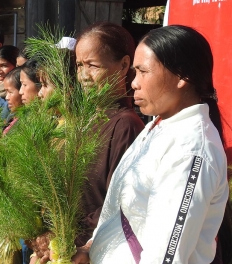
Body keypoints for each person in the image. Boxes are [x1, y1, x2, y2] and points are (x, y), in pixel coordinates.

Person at [73, 25, 230, 264]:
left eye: (143, 71)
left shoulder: (190, 149)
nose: (134, 83)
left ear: (182, 76)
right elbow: (118, 209)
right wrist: (91, 247)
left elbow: (166, 256)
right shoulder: (157, 127)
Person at [71, 22, 146, 248]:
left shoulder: (126, 125)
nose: (83, 76)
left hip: (95, 247)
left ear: (124, 65)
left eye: (92, 65)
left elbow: (117, 206)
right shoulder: (85, 119)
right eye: (78, 65)